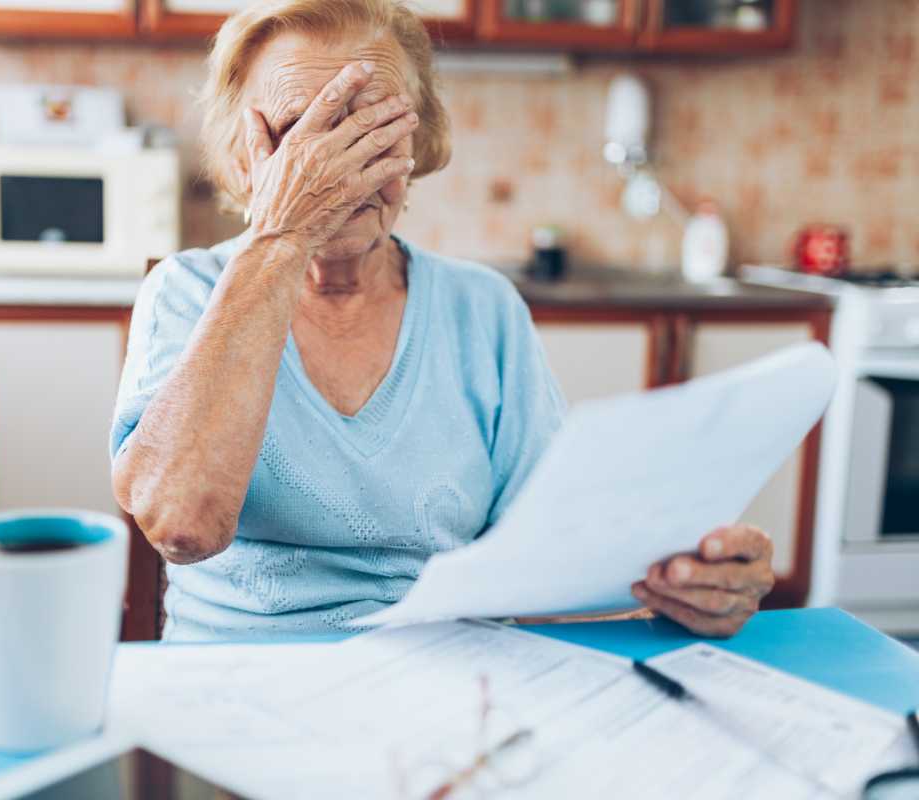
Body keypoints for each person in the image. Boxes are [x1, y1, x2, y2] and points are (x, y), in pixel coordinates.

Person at [110, 0, 775, 641]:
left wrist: (675, 582)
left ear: (417, 145)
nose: (335, 169)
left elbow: (550, 550)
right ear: (244, 156)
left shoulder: (481, 309)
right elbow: (181, 524)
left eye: (371, 131)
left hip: (448, 678)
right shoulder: (186, 293)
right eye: (302, 135)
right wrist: (282, 235)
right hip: (241, 685)